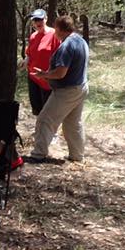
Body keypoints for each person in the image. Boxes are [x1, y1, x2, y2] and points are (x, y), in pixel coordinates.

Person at [28, 14, 90, 163]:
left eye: (56, 28)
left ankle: (38, 154)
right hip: (81, 87)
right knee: (73, 124)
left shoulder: (66, 46)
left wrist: (44, 75)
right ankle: (77, 156)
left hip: (67, 91)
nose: (54, 31)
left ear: (60, 29)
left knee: (45, 119)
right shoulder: (81, 41)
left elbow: (61, 73)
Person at [25, 8, 60, 116]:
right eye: (35, 20)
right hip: (33, 78)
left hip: (47, 80)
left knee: (49, 112)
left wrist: (51, 74)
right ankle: (39, 126)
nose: (38, 22)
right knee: (37, 110)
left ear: (46, 19)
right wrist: (25, 61)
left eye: (40, 19)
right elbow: (29, 54)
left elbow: (60, 57)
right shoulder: (33, 36)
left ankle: (48, 128)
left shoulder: (54, 34)